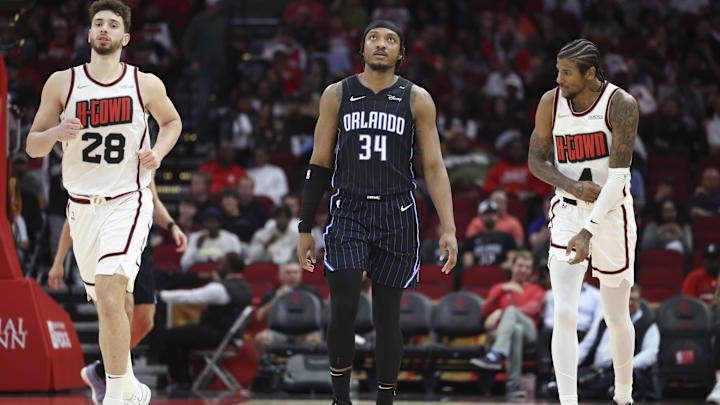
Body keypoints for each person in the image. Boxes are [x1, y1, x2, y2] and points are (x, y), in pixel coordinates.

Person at [25, 1, 182, 403]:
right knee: (106, 305)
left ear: (125, 38)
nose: (104, 29)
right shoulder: (63, 82)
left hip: (126, 201)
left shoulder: (144, 83)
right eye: (98, 23)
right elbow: (31, 147)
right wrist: (57, 131)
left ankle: (115, 395)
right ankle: (127, 386)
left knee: (113, 290)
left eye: (113, 24)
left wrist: (159, 153)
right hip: (80, 208)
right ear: (89, 34)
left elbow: (172, 122)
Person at [296, 20, 458, 405]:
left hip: (397, 211)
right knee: (345, 308)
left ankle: (385, 399)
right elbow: (319, 162)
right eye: (373, 38)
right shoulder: (337, 94)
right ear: (362, 49)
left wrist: (448, 227)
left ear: (401, 53)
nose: (380, 44)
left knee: (387, 317)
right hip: (348, 209)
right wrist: (305, 227)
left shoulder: (417, 98)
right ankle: (341, 398)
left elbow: (433, 167)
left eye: (390, 40)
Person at [528, 38, 639, 405]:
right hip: (568, 208)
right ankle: (568, 401)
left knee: (616, 314)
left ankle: (623, 397)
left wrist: (588, 232)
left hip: (610, 214)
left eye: (566, 73)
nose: (558, 79)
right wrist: (571, 184)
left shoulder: (620, 104)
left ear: (590, 73)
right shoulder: (551, 102)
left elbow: (619, 178)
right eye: (557, 71)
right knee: (563, 310)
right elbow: (537, 162)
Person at [48, 175, 187, 405]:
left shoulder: (144, 157)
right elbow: (75, 216)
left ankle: (103, 370)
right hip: (111, 240)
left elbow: (152, 199)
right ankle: (117, 386)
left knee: (145, 322)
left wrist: (171, 225)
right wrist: (59, 260)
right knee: (124, 307)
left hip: (139, 242)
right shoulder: (100, 167)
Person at [158, 252, 252, 390]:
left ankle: (181, 381)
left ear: (228, 266)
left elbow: (191, 297)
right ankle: (182, 378)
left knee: (171, 335)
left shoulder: (220, 288)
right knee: (183, 335)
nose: (219, 266)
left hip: (217, 333)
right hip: (231, 335)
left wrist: (161, 295)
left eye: (222, 263)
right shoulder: (245, 286)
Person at [470, 251, 545, 399]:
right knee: (515, 331)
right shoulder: (500, 288)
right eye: (520, 266)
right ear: (512, 266)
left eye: (527, 267)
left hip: (529, 333)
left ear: (531, 270)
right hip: (509, 333)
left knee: (511, 313)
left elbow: (532, 310)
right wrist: (501, 291)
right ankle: (513, 385)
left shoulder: (537, 290)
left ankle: (495, 354)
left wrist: (501, 312)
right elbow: (484, 311)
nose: (523, 270)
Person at [574, 285, 659, 401]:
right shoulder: (606, 320)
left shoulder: (647, 324)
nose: (629, 303)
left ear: (639, 302)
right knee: (577, 374)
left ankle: (588, 390)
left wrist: (624, 367)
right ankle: (585, 389)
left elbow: (650, 354)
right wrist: (571, 363)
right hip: (596, 370)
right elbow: (586, 345)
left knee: (628, 378)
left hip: (623, 372)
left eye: (633, 300)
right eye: (626, 299)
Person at [253, 261, 324, 359]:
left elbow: (322, 317)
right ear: (280, 276)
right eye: (288, 272)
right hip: (279, 332)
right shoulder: (271, 293)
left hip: (306, 332)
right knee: (261, 339)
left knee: (313, 339)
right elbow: (260, 318)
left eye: (295, 272)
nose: (292, 276)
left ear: (300, 275)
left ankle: (309, 371)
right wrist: (276, 299)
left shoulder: (312, 293)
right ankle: (266, 369)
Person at [180, 207, 245, 271]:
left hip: (223, 275)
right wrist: (197, 246)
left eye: (213, 221)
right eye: (207, 221)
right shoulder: (195, 237)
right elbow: (184, 263)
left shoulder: (231, 238)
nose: (210, 224)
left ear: (219, 222)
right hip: (200, 274)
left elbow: (237, 264)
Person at [461, 199, 516, 267]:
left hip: (500, 275)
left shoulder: (507, 238)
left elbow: (510, 262)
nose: (490, 216)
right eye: (486, 214)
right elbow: (468, 264)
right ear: (480, 217)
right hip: (478, 274)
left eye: (493, 213)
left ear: (498, 216)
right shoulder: (471, 240)